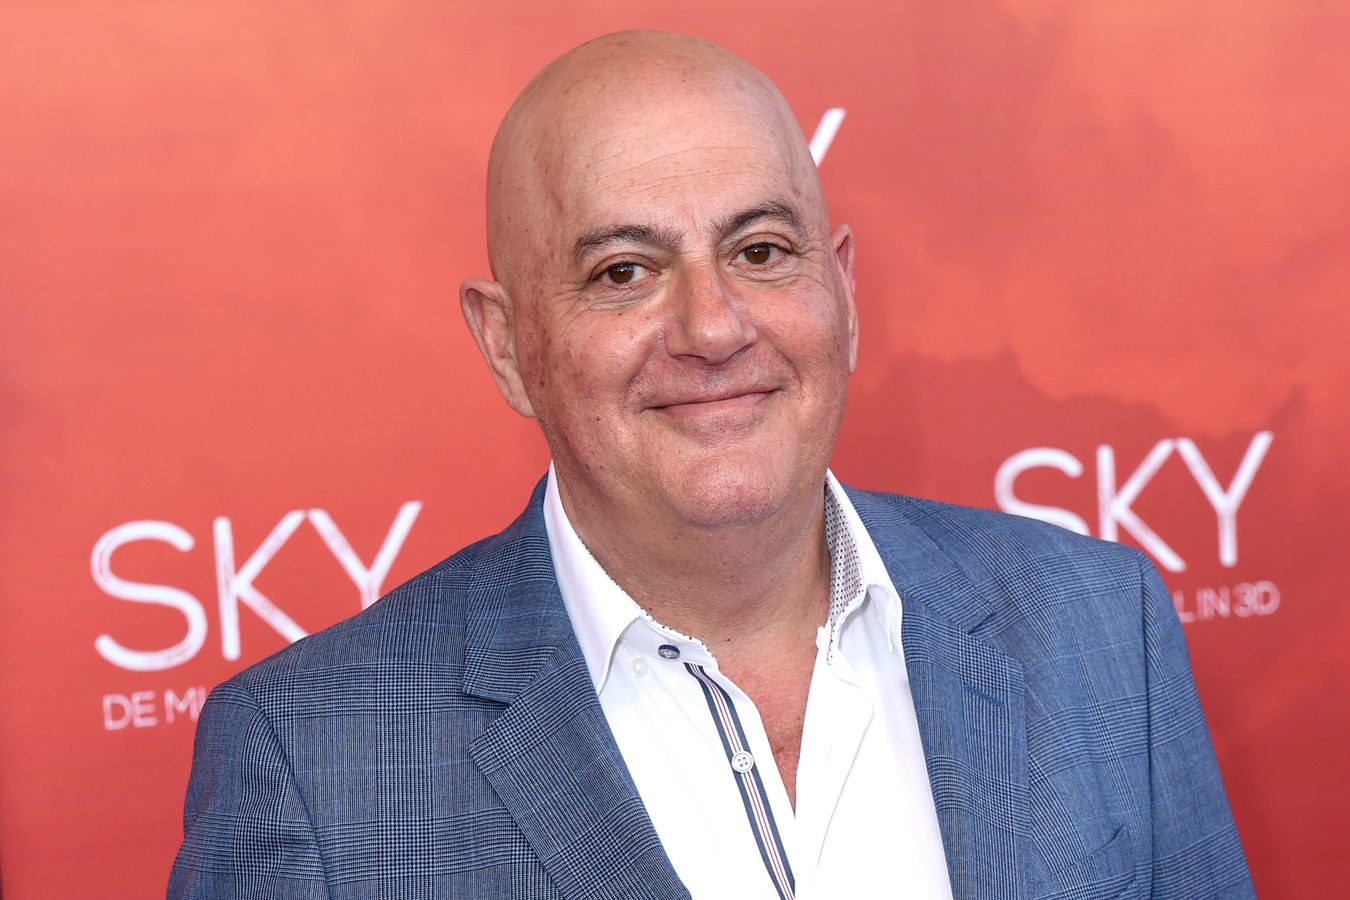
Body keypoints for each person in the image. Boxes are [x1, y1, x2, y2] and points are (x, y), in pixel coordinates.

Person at [168, 30, 1254, 900]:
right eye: (623, 271)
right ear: (507, 345)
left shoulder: (1096, 624)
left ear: (842, 290)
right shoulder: (312, 760)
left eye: (760, 251)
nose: (714, 326)